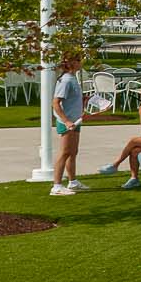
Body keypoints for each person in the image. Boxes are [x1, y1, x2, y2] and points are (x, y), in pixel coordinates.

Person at [50, 54, 87, 196]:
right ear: (71, 63)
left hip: (76, 120)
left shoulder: (73, 78)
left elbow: (71, 99)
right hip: (67, 122)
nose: (80, 62)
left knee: (73, 151)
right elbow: (55, 103)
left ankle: (73, 181)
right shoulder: (65, 80)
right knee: (64, 152)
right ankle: (56, 186)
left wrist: (83, 100)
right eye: (78, 60)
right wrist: (66, 121)